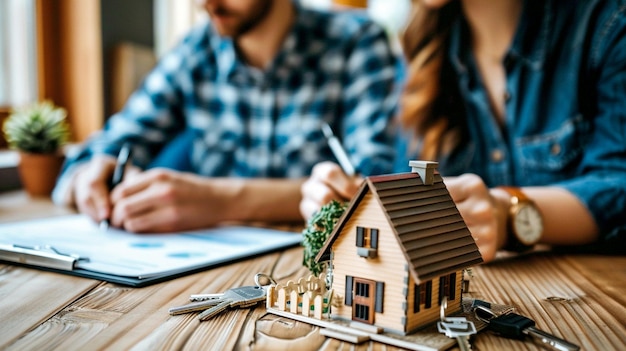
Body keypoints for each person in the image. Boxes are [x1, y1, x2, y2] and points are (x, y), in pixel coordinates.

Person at [300, 0, 626, 262]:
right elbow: (404, 187)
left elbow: (618, 183)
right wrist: (346, 196)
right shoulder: (422, 54)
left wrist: (508, 215)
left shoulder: (608, 24)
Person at [53, 0, 403, 233]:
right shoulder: (194, 53)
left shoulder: (358, 41)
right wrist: (91, 175)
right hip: (208, 277)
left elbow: (374, 187)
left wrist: (219, 200)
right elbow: (95, 152)